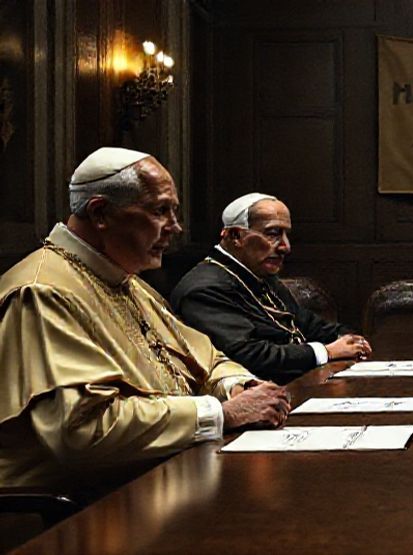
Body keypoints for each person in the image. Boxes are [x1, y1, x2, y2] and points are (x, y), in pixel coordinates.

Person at [0, 148, 290, 494]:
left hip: (155, 480)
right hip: (73, 512)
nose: (175, 227)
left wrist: (238, 387)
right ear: (101, 213)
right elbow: (81, 429)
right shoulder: (42, 291)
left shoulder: (128, 281)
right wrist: (221, 414)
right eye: (160, 211)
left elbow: (205, 358)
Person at [170, 193, 371, 383]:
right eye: (273, 233)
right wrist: (327, 352)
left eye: (286, 235)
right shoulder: (203, 289)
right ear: (235, 236)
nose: (285, 247)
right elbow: (248, 355)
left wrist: (348, 338)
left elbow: (308, 324)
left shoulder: (258, 273)